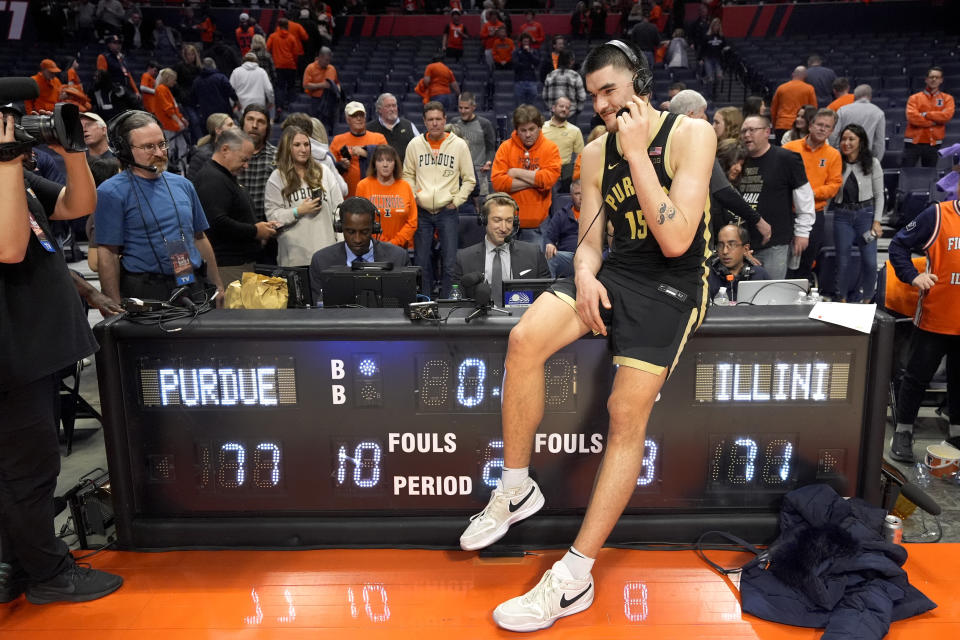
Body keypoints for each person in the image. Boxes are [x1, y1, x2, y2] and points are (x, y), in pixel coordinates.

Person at [460, 40, 716, 632]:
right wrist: (581, 276)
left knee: (625, 412)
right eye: (593, 94)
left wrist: (638, 155)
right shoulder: (596, 153)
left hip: (674, 282)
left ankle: (575, 574)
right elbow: (592, 238)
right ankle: (517, 488)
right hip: (617, 270)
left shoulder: (690, 135)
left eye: (611, 91)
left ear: (639, 83)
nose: (600, 104)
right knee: (524, 339)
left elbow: (677, 240)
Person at [0, 111, 123, 606]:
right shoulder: (6, 171)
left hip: (39, 349)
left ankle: (16, 567)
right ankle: (49, 574)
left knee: (25, 469)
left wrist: (71, 149)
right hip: (13, 356)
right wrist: (8, 158)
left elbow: (77, 205)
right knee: (28, 473)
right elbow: (9, 248)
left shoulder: (15, 174)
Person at [95, 110, 225, 305]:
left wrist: (218, 286)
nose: (159, 152)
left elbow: (199, 237)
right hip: (146, 290)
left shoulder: (183, 185)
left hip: (192, 283)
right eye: (149, 147)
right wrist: (112, 302)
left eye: (162, 144)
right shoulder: (110, 191)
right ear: (125, 150)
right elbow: (107, 253)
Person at [888, 197, 960, 462]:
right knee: (917, 378)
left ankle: (956, 434)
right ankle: (904, 431)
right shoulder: (938, 214)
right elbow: (897, 245)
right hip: (935, 317)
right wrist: (912, 275)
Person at [402, 101, 476, 298]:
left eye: (438, 119)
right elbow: (407, 175)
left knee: (450, 262)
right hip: (422, 211)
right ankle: (425, 302)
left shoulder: (459, 145)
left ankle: (445, 304)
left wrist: (457, 200)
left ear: (445, 120)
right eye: (430, 120)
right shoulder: (414, 145)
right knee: (422, 262)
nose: (435, 123)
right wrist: (414, 196)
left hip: (448, 211)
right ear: (424, 122)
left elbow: (470, 179)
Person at [192, 128, 277, 285]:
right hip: (227, 267)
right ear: (225, 150)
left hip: (238, 265)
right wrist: (255, 231)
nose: (246, 166)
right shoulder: (211, 179)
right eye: (244, 159)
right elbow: (218, 222)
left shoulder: (224, 176)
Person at [737, 114, 816, 279]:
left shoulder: (787, 159)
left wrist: (803, 232)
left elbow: (805, 198)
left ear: (767, 132)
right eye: (743, 131)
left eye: (752, 130)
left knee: (770, 293)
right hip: (741, 244)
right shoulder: (738, 161)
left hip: (774, 243)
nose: (746, 135)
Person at [265, 125, 343, 266]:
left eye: (306, 144)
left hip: (327, 254)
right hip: (294, 257)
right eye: (297, 145)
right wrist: (297, 211)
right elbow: (272, 216)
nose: (303, 149)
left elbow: (339, 211)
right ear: (287, 147)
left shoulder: (324, 172)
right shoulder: (277, 177)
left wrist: (341, 245)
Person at [454, 192, 550, 302]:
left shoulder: (534, 254)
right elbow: (457, 303)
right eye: (497, 220)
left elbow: (546, 297)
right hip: (478, 318)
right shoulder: (463, 258)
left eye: (509, 221)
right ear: (483, 220)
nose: (504, 228)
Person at [308, 196, 410, 299]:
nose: (357, 239)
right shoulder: (321, 261)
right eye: (350, 232)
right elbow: (318, 309)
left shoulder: (398, 258)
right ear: (339, 228)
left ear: (374, 228)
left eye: (364, 232)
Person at [491, 104, 562, 247]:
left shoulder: (550, 148)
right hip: (508, 225)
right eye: (523, 130)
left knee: (534, 269)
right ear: (516, 130)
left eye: (532, 129)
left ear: (539, 128)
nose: (528, 134)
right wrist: (535, 179)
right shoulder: (505, 147)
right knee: (507, 268)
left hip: (537, 225)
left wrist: (516, 172)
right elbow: (498, 183)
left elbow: (548, 180)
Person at [783, 108, 842, 281]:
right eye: (819, 124)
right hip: (787, 213)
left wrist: (808, 194)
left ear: (831, 131)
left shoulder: (833, 155)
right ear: (810, 126)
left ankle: (799, 298)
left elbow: (834, 186)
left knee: (807, 261)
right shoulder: (789, 148)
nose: (823, 129)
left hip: (815, 215)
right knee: (782, 260)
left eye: (827, 127)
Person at [832, 124, 883, 303]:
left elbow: (879, 195)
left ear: (861, 142)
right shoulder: (836, 161)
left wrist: (877, 221)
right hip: (842, 215)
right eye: (844, 139)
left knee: (870, 261)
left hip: (866, 215)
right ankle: (842, 299)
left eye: (851, 139)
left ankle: (868, 299)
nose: (846, 143)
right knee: (843, 262)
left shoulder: (872, 162)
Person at [356, 145, 417, 250]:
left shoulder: (405, 186)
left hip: (402, 248)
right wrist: (381, 242)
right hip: (372, 248)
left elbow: (412, 221)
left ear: (395, 164)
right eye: (380, 160)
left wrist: (395, 243)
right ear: (374, 164)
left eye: (389, 160)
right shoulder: (363, 186)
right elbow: (361, 220)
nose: (385, 165)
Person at [331, 102, 388, 197]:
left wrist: (366, 153)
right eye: (354, 115)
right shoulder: (338, 140)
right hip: (347, 196)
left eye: (361, 115)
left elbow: (388, 162)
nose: (359, 118)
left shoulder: (379, 138)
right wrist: (341, 165)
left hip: (374, 194)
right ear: (347, 119)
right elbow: (330, 168)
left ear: (365, 117)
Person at [903, 67, 954, 168]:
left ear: (941, 80)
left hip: (933, 144)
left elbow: (946, 116)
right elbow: (912, 118)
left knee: (929, 175)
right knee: (907, 172)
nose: (934, 79)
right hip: (912, 143)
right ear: (926, 79)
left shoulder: (947, 99)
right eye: (931, 77)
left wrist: (925, 114)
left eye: (937, 77)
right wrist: (935, 121)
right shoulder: (914, 98)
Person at [238, 105, 277, 227]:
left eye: (261, 122)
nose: (254, 125)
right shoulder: (230, 154)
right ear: (242, 123)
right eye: (250, 119)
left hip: (269, 228)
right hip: (235, 227)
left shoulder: (277, 157)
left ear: (267, 128)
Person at [707, 223, 769, 301]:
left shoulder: (759, 275)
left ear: (746, 248)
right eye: (720, 245)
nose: (725, 251)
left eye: (731, 245)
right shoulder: (705, 274)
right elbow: (686, 299)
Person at [831, 84, 886, 170]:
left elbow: (833, 135)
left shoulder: (842, 110)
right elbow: (879, 142)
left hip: (843, 157)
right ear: (870, 97)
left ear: (854, 96)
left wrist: (835, 156)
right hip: (866, 160)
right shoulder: (878, 113)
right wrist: (875, 161)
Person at [453, 92, 496, 200]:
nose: (463, 111)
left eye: (466, 108)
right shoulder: (454, 123)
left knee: (480, 212)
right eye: (460, 108)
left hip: (479, 175)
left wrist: (488, 162)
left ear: (474, 107)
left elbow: (491, 148)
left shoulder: (485, 124)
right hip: (457, 177)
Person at [541, 97, 584, 193]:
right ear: (553, 108)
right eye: (561, 106)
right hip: (543, 173)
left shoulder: (575, 130)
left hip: (565, 177)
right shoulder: (542, 128)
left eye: (567, 108)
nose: (564, 109)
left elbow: (580, 156)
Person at [151, 68, 189, 173]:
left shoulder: (165, 89)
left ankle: (182, 167)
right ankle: (165, 169)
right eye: (173, 79)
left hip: (173, 124)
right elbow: (168, 109)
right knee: (169, 148)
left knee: (181, 146)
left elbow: (173, 108)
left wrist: (181, 118)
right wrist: (179, 121)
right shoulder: (161, 89)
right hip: (168, 125)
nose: (175, 82)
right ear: (168, 79)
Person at [543, 178, 582, 277]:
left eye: (584, 193)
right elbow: (549, 237)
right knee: (551, 256)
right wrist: (550, 244)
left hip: (591, 257)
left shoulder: (596, 214)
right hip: (567, 257)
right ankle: (550, 289)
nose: (581, 197)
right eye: (577, 194)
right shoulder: (561, 214)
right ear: (571, 196)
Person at [366, 93, 420, 161]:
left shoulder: (409, 125)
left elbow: (420, 146)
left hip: (405, 170)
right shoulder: (370, 128)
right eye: (388, 106)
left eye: (394, 106)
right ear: (379, 109)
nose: (392, 109)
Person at [267, 18, 302, 115]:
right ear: (287, 26)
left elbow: (267, 48)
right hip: (290, 65)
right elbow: (296, 53)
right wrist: (294, 63)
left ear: (278, 26)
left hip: (278, 66)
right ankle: (291, 107)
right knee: (291, 87)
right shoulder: (292, 37)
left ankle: (279, 107)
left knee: (280, 87)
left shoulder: (273, 36)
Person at [770, 67, 817, 141]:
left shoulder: (781, 88)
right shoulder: (809, 89)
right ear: (805, 76)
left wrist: (774, 124)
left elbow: (773, 109)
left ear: (793, 74)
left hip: (782, 124)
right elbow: (813, 110)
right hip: (801, 127)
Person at [302, 47, 340, 134]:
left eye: (329, 60)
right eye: (326, 60)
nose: (328, 62)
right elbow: (306, 85)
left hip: (329, 101)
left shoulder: (332, 68)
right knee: (315, 125)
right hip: (315, 101)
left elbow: (336, 83)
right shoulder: (310, 68)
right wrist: (322, 85)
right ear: (320, 57)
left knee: (328, 126)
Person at [193, 58, 238, 126]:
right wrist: (236, 100)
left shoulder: (196, 81)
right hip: (223, 110)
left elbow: (194, 98)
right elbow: (230, 90)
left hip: (208, 114)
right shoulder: (220, 77)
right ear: (214, 65)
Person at [543, 51, 587, 115]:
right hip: (570, 113)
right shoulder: (575, 76)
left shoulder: (550, 75)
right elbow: (582, 96)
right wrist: (578, 109)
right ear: (570, 62)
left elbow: (545, 96)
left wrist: (550, 108)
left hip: (554, 113)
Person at [699, 18, 726, 99]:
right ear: (712, 26)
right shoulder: (707, 36)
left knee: (719, 77)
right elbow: (702, 48)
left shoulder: (721, 37)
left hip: (718, 59)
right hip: (708, 58)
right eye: (715, 25)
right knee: (710, 78)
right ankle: (709, 95)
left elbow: (724, 46)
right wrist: (700, 58)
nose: (716, 27)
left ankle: (714, 91)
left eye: (718, 26)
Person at [513, 34, 540, 106]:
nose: (526, 43)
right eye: (524, 41)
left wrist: (529, 53)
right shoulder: (516, 52)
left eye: (528, 42)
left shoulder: (534, 52)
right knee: (520, 107)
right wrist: (529, 65)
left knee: (531, 107)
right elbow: (516, 65)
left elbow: (537, 63)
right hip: (519, 81)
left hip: (532, 81)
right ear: (521, 42)